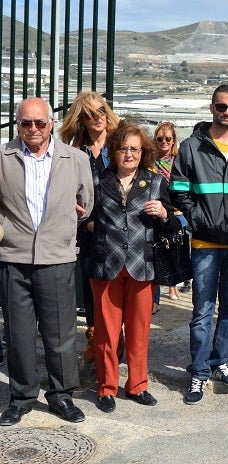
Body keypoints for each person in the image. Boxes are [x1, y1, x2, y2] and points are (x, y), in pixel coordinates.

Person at [0, 97, 94, 426]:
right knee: (18, 333)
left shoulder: (75, 158)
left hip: (57, 257)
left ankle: (61, 395)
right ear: (18, 124)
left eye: (40, 122)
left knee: (60, 333)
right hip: (14, 256)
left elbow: (87, 204)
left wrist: (67, 221)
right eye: (26, 123)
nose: (33, 129)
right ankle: (21, 398)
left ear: (51, 123)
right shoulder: (3, 156)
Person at [170, 84, 228, 405]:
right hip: (205, 242)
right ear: (211, 108)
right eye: (222, 106)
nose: (227, 112)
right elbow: (178, 190)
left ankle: (220, 361)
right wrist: (198, 220)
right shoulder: (191, 147)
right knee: (202, 310)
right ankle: (198, 371)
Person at [90, 120, 180, 413]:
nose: (129, 155)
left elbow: (172, 225)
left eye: (135, 150)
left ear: (143, 153)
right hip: (106, 265)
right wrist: (88, 224)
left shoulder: (155, 182)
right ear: (113, 151)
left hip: (142, 266)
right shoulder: (97, 181)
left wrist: (164, 214)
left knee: (139, 332)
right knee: (106, 332)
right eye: (123, 149)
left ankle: (137, 385)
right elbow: (83, 217)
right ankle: (106, 388)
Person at [58, 90, 121, 363]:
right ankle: (95, 338)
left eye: (101, 111)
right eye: (90, 114)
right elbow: (62, 187)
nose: (98, 117)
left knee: (115, 287)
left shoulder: (119, 145)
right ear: (81, 119)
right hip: (85, 228)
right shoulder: (73, 152)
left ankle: (116, 338)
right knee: (90, 285)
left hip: (117, 228)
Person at [153, 121, 190, 304]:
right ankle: (155, 297)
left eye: (168, 138)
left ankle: (173, 283)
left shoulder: (178, 162)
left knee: (174, 248)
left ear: (174, 140)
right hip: (156, 211)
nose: (164, 142)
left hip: (176, 212)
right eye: (160, 138)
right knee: (156, 251)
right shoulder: (149, 161)